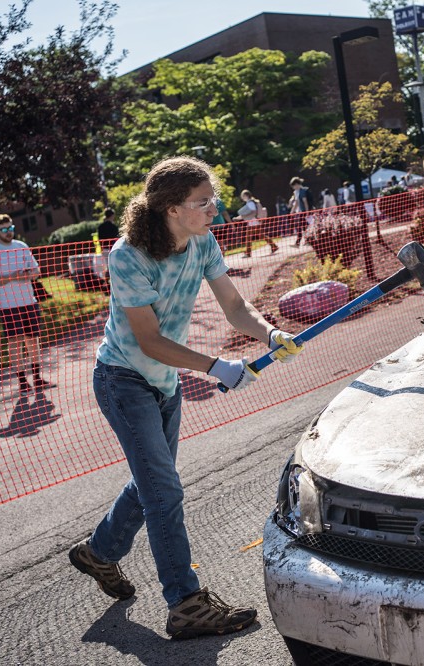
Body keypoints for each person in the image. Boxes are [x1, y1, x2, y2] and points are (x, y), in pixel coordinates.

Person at [68, 156, 305, 640]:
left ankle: (98, 552)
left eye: (212, 199)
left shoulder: (203, 240)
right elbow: (148, 340)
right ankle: (185, 603)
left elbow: (235, 307)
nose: (214, 208)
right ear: (172, 209)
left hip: (164, 384)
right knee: (163, 489)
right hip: (123, 378)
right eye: (204, 202)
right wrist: (216, 366)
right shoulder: (128, 254)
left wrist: (269, 333)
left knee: (152, 486)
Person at [0, 214, 51, 395]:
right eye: (4, 229)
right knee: (15, 343)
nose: (9, 232)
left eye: (10, 228)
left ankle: (37, 378)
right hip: (8, 306)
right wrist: (11, 277)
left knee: (33, 341)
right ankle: (22, 382)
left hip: (29, 302)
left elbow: (36, 271)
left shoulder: (22, 246)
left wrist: (27, 275)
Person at [232, 189, 277, 257]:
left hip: (253, 223)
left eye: (243, 196)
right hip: (255, 222)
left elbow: (252, 212)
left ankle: (248, 253)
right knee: (261, 236)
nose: (242, 197)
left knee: (249, 238)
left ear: (247, 195)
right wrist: (239, 218)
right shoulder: (252, 202)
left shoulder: (250, 203)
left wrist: (238, 218)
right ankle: (274, 246)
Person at [288, 176, 314, 246]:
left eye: (293, 186)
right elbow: (296, 203)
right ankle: (306, 241)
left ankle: (300, 242)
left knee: (301, 227)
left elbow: (305, 202)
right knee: (304, 227)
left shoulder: (302, 191)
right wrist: (292, 212)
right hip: (301, 212)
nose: (293, 187)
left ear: (296, 184)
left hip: (304, 212)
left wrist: (307, 212)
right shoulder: (296, 192)